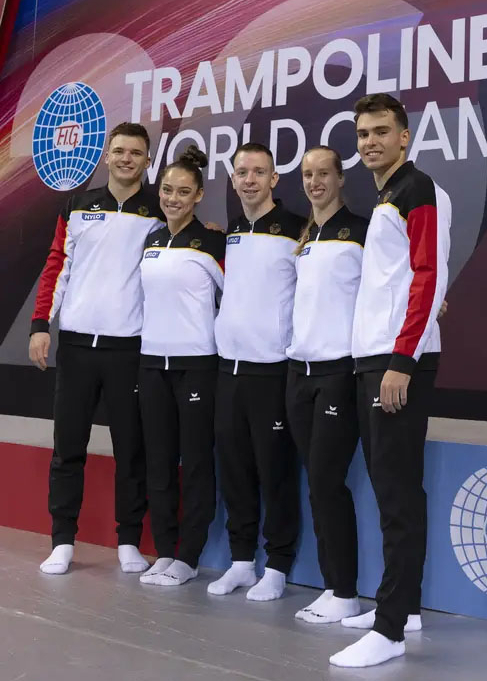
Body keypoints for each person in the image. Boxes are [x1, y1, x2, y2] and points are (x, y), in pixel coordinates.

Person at [331, 94, 451, 668]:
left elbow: (428, 276)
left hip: (395, 362)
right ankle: (404, 608)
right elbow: (405, 278)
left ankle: (389, 629)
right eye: (362, 134)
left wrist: (402, 361)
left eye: (382, 131)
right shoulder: (387, 196)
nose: (370, 141)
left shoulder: (415, 189)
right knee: (388, 489)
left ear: (405, 136)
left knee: (398, 494)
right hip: (372, 358)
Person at [31, 122, 164, 576]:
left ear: (149, 161)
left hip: (130, 350)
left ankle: (129, 540)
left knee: (132, 449)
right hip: (77, 348)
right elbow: (56, 266)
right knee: (68, 447)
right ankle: (62, 541)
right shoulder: (78, 204)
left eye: (136, 153)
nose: (127, 159)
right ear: (107, 157)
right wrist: (38, 325)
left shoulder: (159, 211)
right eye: (120, 151)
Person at [206, 143, 303, 602]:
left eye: (258, 172)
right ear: (232, 178)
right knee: (236, 471)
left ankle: (278, 566)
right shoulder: (229, 232)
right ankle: (242, 562)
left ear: (274, 179)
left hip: (273, 372)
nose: (249, 179)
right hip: (229, 371)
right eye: (241, 172)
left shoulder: (298, 231)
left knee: (275, 472)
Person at [285, 146, 368, 623]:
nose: (315, 182)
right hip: (300, 373)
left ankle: (345, 592)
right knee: (317, 484)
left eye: (323, 174)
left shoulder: (360, 231)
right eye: (308, 175)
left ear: (340, 179)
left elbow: (390, 281)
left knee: (325, 481)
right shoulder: (305, 235)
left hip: (339, 374)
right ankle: (333, 586)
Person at [136, 145, 224, 587]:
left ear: (198, 195)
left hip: (197, 367)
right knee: (159, 463)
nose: (172, 198)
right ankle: (165, 552)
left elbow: (241, 298)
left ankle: (188, 556)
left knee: (195, 463)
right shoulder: (151, 239)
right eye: (167, 189)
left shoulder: (213, 242)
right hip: (151, 365)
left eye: (183, 191)